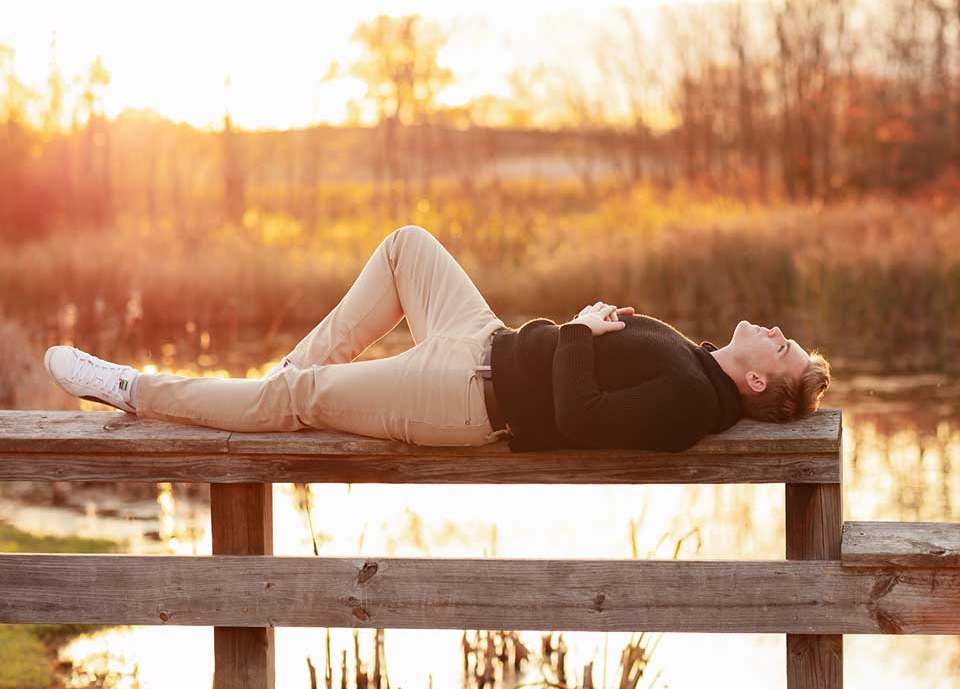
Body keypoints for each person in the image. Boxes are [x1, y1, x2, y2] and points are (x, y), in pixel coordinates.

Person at [44, 224, 831, 452]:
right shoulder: (696, 361)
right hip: (480, 337)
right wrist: (589, 328)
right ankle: (275, 383)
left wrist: (581, 334)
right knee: (405, 246)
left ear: (757, 383)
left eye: (782, 346)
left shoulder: (692, 402)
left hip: (464, 398)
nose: (774, 331)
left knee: (300, 400)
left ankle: (128, 387)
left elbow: (581, 418)